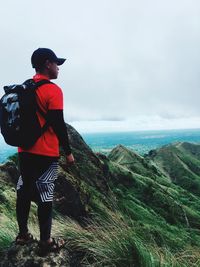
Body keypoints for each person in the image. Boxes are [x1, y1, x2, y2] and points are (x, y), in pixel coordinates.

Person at [15, 48, 75, 255]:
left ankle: (23, 235)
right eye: (56, 63)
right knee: (45, 194)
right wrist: (68, 152)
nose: (58, 68)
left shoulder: (25, 88)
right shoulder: (53, 90)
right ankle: (46, 242)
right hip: (46, 152)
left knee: (24, 190)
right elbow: (58, 124)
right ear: (48, 64)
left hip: (24, 150)